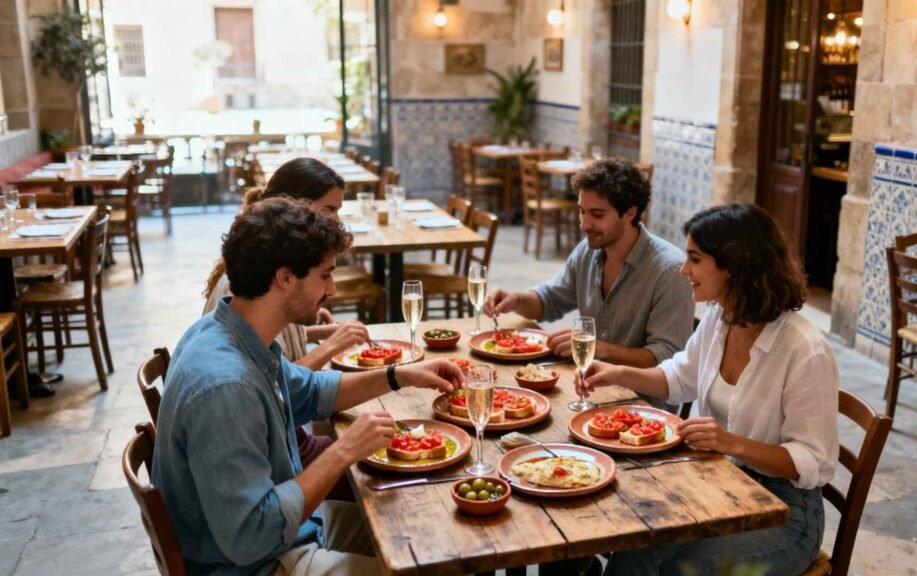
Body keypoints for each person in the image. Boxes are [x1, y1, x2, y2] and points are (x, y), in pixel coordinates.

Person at [154, 198, 464, 575]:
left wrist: (400, 375)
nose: (332, 290)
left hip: (290, 533)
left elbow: (311, 390)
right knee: (433, 559)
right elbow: (252, 534)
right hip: (258, 563)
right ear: (286, 278)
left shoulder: (228, 332)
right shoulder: (226, 387)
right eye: (325, 275)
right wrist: (344, 451)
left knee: (431, 534)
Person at [579, 203, 839, 576]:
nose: (684, 270)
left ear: (734, 265)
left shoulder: (805, 350)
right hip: (720, 483)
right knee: (632, 551)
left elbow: (813, 461)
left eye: (695, 259)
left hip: (786, 512)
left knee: (678, 569)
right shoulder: (721, 315)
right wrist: (617, 373)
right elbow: (678, 377)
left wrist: (730, 442)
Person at [203, 157, 369, 468]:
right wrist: (332, 346)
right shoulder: (231, 385)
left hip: (288, 432)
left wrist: (397, 375)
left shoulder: (259, 278)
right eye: (329, 210)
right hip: (287, 437)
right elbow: (283, 389)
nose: (336, 221)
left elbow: (287, 374)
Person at [483, 158, 694, 388]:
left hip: (641, 403)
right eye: (582, 212)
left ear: (630, 213)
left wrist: (598, 348)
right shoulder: (588, 250)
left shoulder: (670, 271)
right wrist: (516, 299)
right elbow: (550, 299)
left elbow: (667, 358)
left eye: (597, 214)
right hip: (588, 385)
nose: (584, 224)